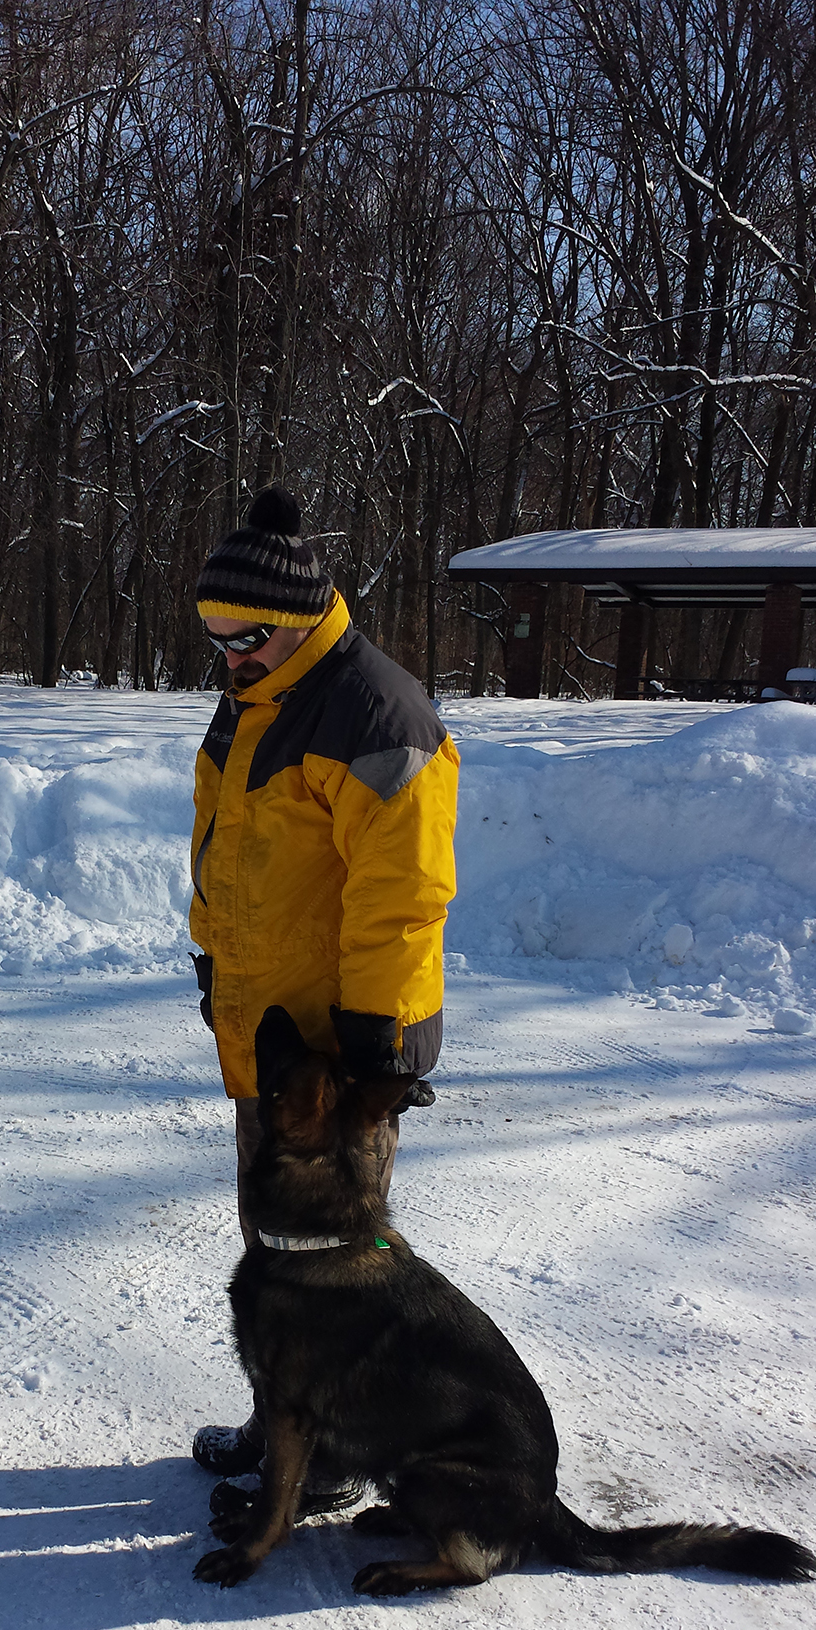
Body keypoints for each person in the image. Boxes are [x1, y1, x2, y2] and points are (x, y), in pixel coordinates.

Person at [188, 483, 460, 1507]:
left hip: (342, 1053)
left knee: (338, 1270)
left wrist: (375, 1046)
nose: (227, 654)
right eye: (213, 636)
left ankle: (335, 1456)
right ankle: (283, 1424)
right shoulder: (257, 696)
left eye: (243, 635)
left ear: (297, 619)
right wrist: (217, 963)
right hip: (274, 1032)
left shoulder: (377, 713)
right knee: (277, 1256)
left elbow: (405, 897)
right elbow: (231, 850)